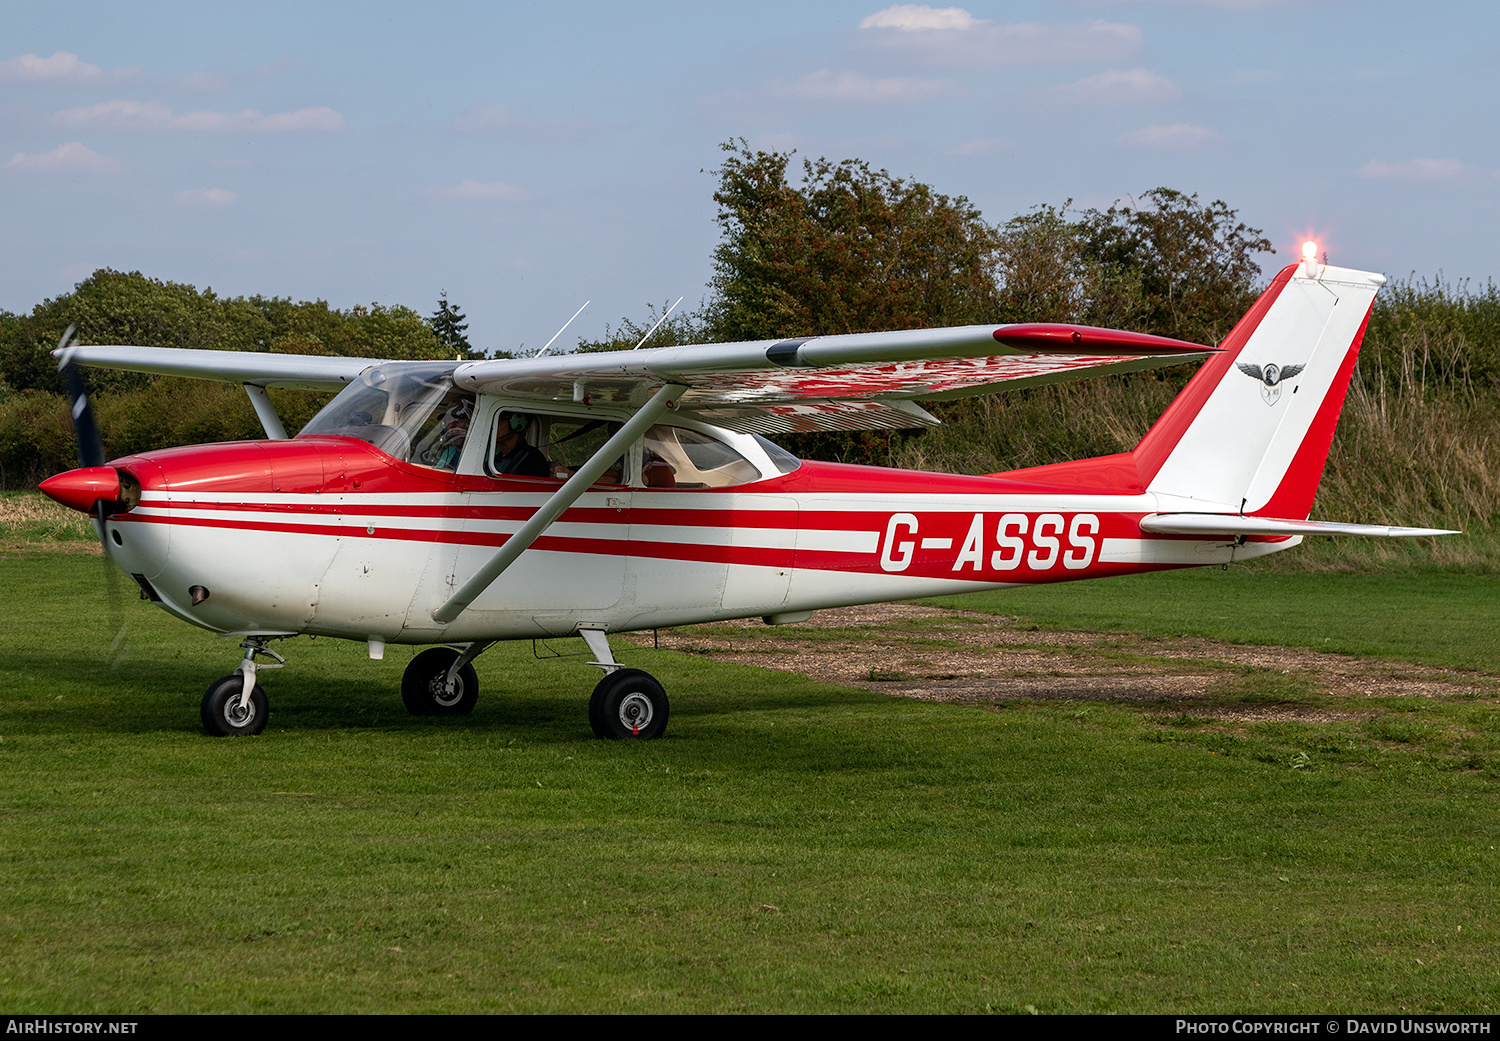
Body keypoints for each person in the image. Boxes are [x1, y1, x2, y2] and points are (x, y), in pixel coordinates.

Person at [492, 412, 551, 477]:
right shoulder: (496, 458)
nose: (492, 426)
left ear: (516, 424)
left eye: (499, 420)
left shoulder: (532, 461)